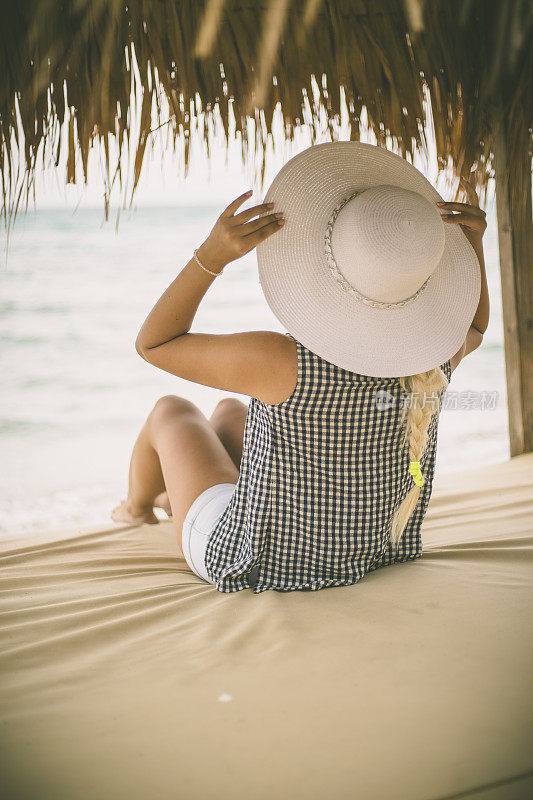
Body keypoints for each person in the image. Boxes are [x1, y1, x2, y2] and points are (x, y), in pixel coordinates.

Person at [111, 141, 488, 594]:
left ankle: (135, 511)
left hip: (257, 563)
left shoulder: (281, 362)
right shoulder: (433, 360)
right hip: (372, 552)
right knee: (231, 412)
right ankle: (177, 499)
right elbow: (476, 325)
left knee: (170, 411)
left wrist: (210, 258)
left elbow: (154, 344)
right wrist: (475, 247)